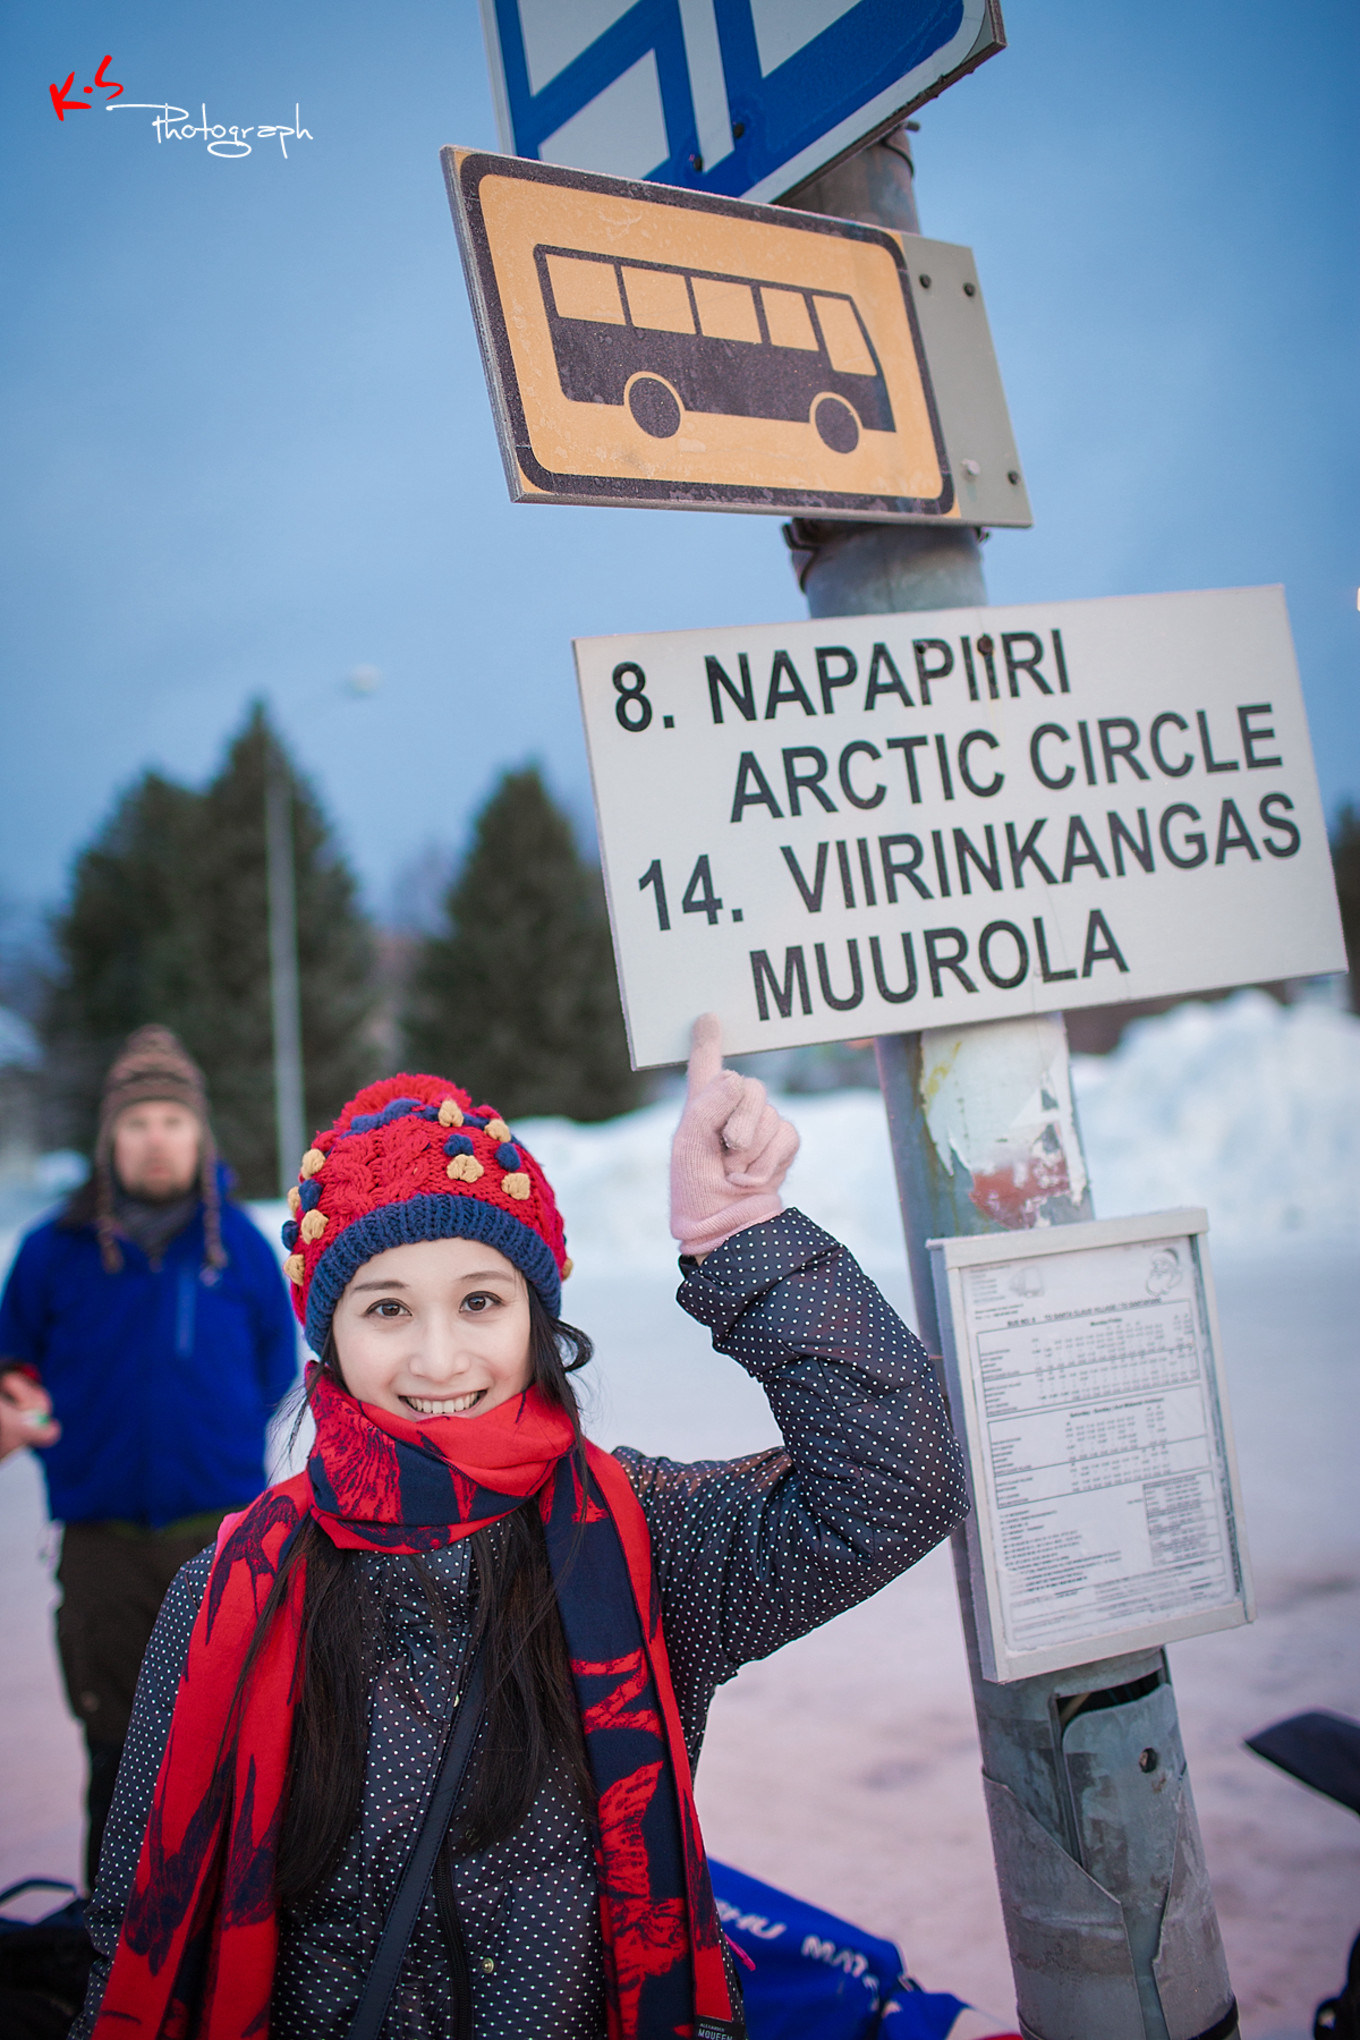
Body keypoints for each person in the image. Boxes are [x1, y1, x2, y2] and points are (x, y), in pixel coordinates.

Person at [73, 1017, 969, 2040]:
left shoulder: (643, 1539)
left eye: (480, 1301)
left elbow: (899, 1479)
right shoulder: (232, 1587)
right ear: (328, 1335)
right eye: (386, 1311)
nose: (440, 1360)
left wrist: (740, 1239)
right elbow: (132, 1923)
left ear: (534, 1319)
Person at [0, 1024, 299, 1890]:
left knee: (231, 1747)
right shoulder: (52, 1250)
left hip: (221, 1540)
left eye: (172, 1119)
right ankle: (113, 1958)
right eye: (138, 1123)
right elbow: (12, 1358)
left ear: (199, 1134)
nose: (157, 1138)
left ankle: (234, 1939)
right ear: (110, 1138)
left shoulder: (238, 1245)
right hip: (100, 1545)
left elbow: (274, 1371)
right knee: (119, 1751)